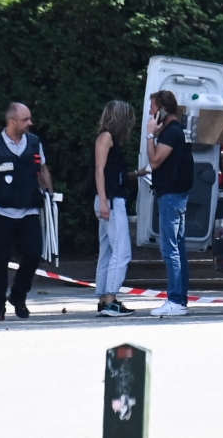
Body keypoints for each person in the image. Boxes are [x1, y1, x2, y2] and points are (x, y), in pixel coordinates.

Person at [0, 103, 54, 321]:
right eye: (26, 120)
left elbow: (42, 170)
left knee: (33, 254)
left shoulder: (34, 143)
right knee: (1, 259)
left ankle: (18, 295)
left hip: (29, 210)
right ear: (12, 121)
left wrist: (50, 195)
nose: (30, 123)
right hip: (2, 211)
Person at [91, 101, 145, 317]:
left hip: (107, 199)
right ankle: (112, 298)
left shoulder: (106, 138)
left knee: (108, 251)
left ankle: (105, 298)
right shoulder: (107, 138)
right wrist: (105, 200)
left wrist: (137, 173)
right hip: (111, 200)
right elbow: (100, 170)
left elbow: (110, 172)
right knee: (121, 251)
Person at [146, 90, 194, 317]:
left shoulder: (171, 133)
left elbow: (155, 161)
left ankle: (175, 299)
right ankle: (180, 299)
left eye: (153, 108)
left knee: (170, 249)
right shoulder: (175, 131)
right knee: (178, 248)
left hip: (171, 196)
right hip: (176, 195)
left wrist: (149, 136)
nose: (150, 113)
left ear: (163, 109)